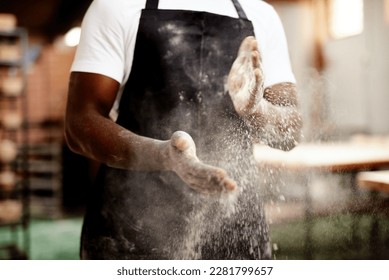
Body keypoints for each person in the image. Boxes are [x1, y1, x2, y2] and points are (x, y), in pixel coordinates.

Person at [65, 0, 302, 260]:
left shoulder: (261, 14)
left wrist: (256, 108)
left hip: (233, 221)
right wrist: (164, 155)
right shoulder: (116, 6)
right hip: (134, 226)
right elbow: (80, 122)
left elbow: (289, 132)